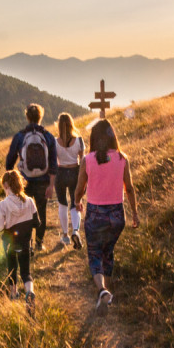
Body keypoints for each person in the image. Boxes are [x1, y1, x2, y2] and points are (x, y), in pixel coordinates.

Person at [75, 118, 139, 316]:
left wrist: (77, 201)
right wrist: (135, 213)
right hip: (117, 215)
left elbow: (80, 188)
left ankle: (102, 290)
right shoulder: (122, 159)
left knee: (95, 254)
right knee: (108, 253)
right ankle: (106, 295)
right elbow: (130, 188)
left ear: (94, 138)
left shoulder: (88, 160)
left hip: (95, 214)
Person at [5, 103, 58, 253]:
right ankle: (39, 243)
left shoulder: (20, 136)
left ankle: (26, 244)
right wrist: (51, 185)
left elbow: (9, 162)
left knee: (23, 214)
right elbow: (53, 163)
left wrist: (12, 180)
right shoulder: (48, 136)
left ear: (27, 117)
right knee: (41, 212)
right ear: (41, 116)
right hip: (43, 181)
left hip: (24, 182)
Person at [0, 170, 40, 305]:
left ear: (5, 186)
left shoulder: (3, 205)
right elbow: (37, 223)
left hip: (10, 244)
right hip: (25, 243)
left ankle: (13, 294)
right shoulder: (29, 201)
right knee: (26, 272)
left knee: (12, 269)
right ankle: (29, 291)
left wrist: (2, 224)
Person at [55, 112, 85, 249]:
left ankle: (65, 235)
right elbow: (83, 161)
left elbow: (53, 161)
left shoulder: (55, 142)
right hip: (75, 172)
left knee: (62, 204)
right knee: (75, 203)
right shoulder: (79, 141)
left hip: (60, 173)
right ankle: (76, 231)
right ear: (71, 124)